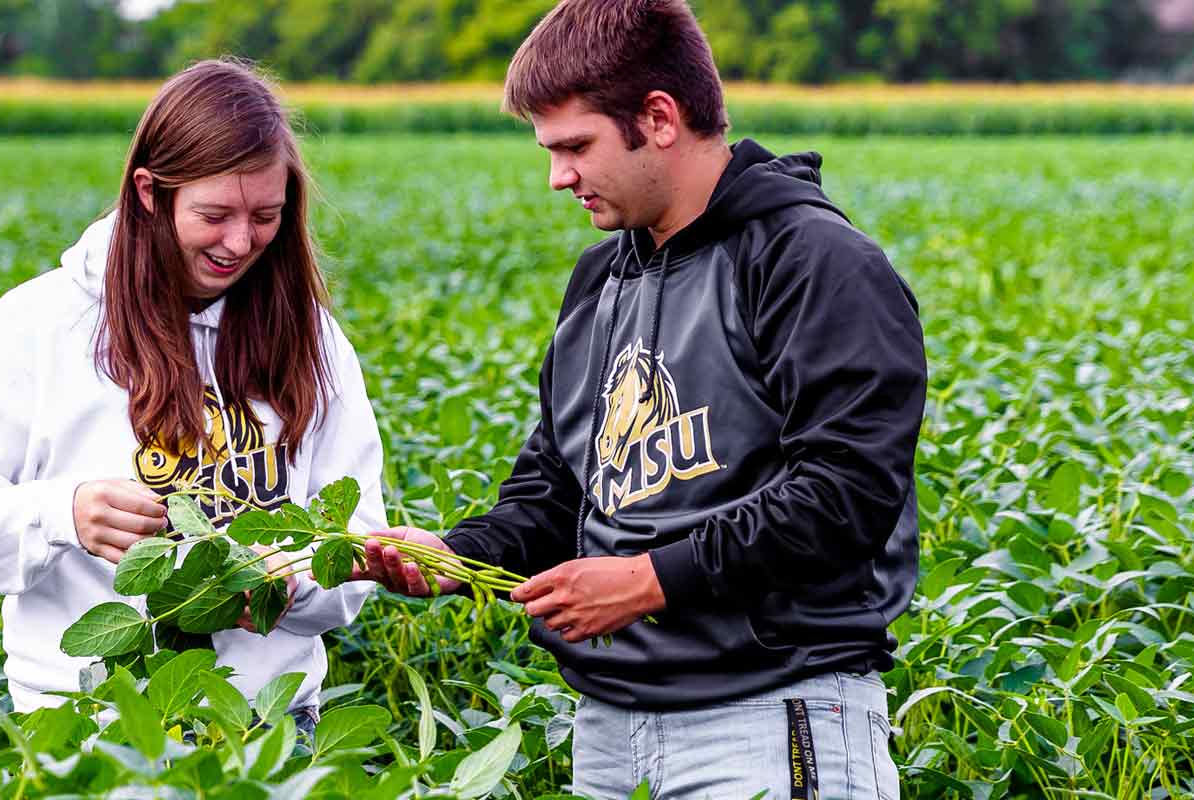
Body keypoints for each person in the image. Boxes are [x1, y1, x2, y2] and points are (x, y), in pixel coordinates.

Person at [348, 0, 925, 796]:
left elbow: (845, 496)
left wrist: (647, 580)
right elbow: (558, 484)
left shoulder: (812, 261)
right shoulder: (601, 278)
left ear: (658, 117)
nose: (558, 177)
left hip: (770, 714)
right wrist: (457, 556)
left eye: (575, 146)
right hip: (609, 731)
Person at [0, 58, 387, 724]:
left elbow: (357, 540)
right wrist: (62, 514)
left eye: (266, 216)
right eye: (214, 215)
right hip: (86, 728)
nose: (241, 243)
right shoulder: (39, 326)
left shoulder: (311, 339)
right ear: (150, 193)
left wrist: (294, 579)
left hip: (270, 727)